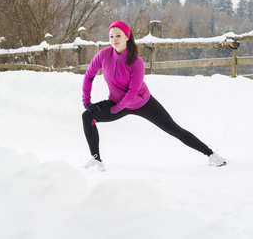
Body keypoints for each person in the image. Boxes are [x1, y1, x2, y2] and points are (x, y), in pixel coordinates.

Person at [81, 21, 226, 171]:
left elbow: (132, 92)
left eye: (118, 35)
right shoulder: (104, 55)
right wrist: (87, 102)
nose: (114, 40)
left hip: (142, 103)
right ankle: (96, 160)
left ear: (127, 36)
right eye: (111, 36)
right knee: (87, 116)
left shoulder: (136, 62)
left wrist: (116, 109)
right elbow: (89, 76)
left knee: (174, 129)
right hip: (116, 103)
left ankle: (210, 154)